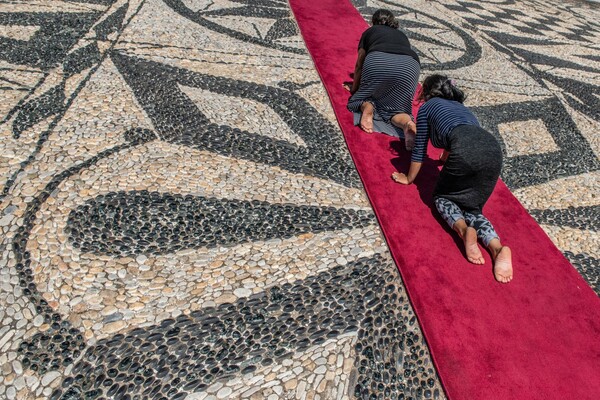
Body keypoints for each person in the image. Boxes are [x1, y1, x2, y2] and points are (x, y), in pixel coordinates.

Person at [391, 74, 513, 283]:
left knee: (443, 198)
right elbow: (460, 136)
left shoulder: (428, 108)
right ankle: (497, 247)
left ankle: (464, 231)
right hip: (492, 150)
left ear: (427, 92)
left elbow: (420, 148)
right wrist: (446, 156)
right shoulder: (463, 109)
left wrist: (409, 178)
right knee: (473, 207)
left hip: (465, 149)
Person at [345, 9, 420, 149]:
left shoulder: (370, 32)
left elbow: (359, 64)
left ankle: (367, 105)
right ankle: (407, 123)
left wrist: (355, 90)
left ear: (373, 21)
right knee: (399, 109)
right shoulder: (402, 35)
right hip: (410, 66)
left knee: (358, 100)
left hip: (379, 59)